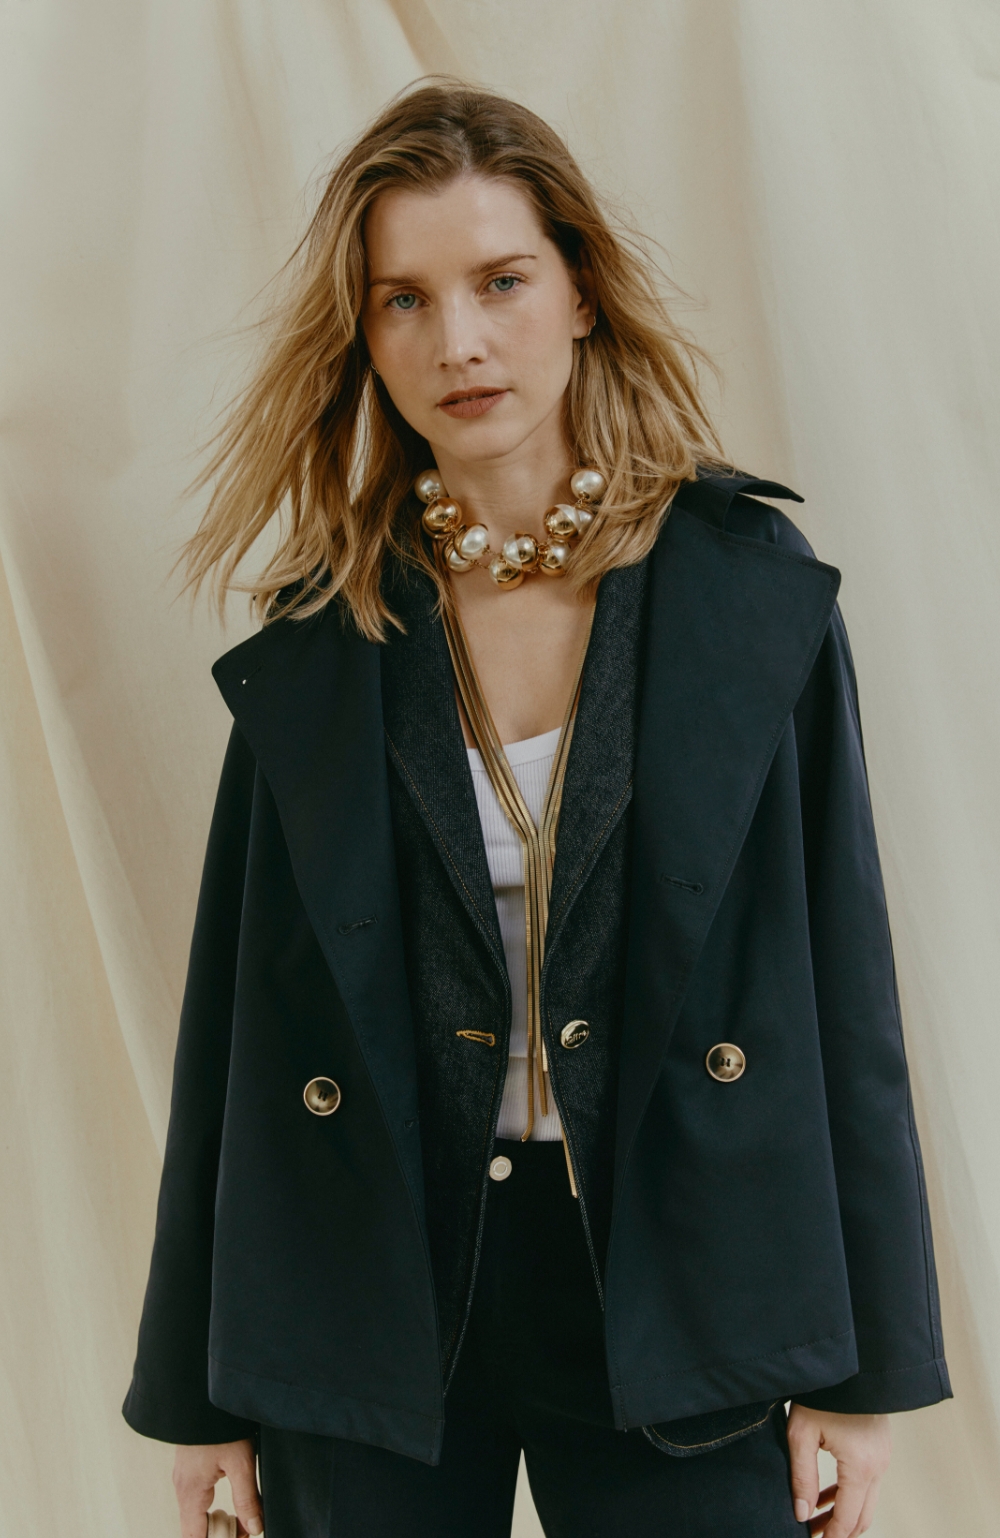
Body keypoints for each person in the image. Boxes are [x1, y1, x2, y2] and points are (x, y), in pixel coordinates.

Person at [122, 82, 950, 1538]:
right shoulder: (330, 632)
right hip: (371, 1283)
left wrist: (866, 1368)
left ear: (579, 290)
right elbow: (241, 1027)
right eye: (404, 299)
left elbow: (845, 987)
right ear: (364, 335)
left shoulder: (744, 595)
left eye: (500, 280)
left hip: (679, 1269)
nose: (458, 341)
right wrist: (199, 1397)